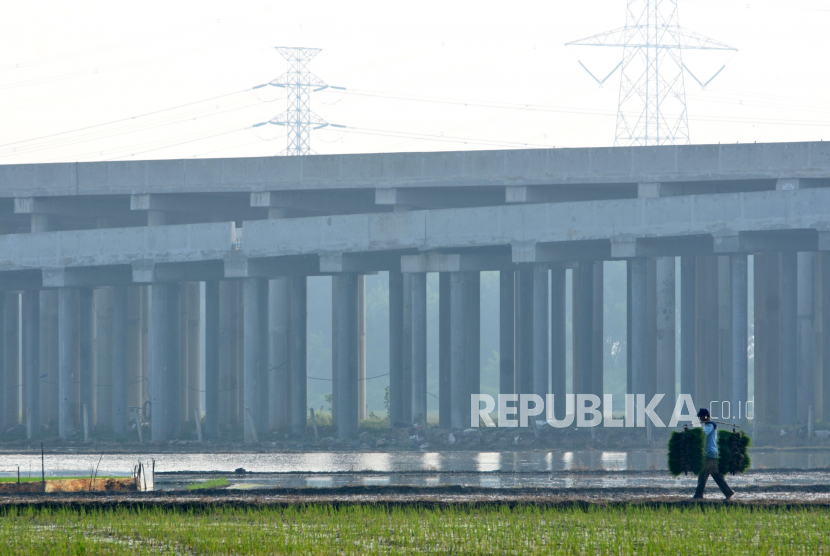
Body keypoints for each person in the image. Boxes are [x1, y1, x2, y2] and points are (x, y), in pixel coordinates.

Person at [693, 408, 734, 501]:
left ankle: (698, 495)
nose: (700, 419)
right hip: (712, 453)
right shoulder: (710, 425)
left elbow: (703, 434)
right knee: (716, 474)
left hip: (709, 453)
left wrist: (691, 433)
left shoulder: (710, 425)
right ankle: (728, 492)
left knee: (703, 473)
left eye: (701, 417)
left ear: (705, 416)